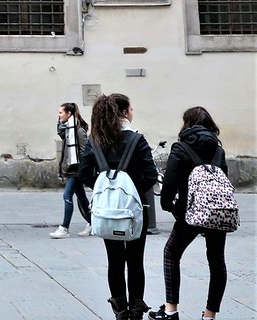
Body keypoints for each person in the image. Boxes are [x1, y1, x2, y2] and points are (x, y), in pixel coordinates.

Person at [79, 93, 158, 320]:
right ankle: (136, 312)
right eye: (131, 109)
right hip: (135, 210)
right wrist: (131, 192)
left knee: (114, 261)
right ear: (124, 112)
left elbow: (84, 173)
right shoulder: (137, 139)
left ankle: (120, 312)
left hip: (107, 210)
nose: (133, 112)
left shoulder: (96, 140)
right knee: (135, 260)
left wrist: (104, 189)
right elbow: (151, 175)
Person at [148, 107, 229, 320]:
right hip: (216, 212)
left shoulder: (181, 148)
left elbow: (170, 184)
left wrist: (171, 207)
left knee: (171, 254)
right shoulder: (218, 149)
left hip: (189, 212)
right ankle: (210, 316)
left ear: (187, 123)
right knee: (217, 261)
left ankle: (171, 310)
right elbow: (225, 179)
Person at [50, 102, 92, 239]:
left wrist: (82, 170)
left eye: (61, 112)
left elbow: (85, 152)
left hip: (76, 170)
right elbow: (60, 131)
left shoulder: (78, 131)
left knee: (67, 196)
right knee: (81, 197)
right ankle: (92, 223)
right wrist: (60, 120)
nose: (59, 115)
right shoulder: (68, 129)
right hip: (71, 169)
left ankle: (64, 228)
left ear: (69, 114)